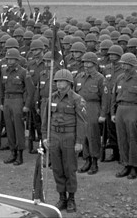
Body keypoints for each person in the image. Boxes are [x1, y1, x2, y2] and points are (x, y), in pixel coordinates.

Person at [41, 69, 87, 213]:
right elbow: (46, 119)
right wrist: (44, 137)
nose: (58, 83)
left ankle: (71, 198)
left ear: (69, 83)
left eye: (61, 81)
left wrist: (79, 141)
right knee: (57, 168)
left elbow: (82, 122)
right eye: (57, 81)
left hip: (69, 136)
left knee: (70, 168)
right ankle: (62, 197)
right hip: (54, 136)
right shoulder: (52, 98)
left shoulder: (77, 99)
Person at [111, 53, 137, 179]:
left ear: (132, 65)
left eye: (125, 63)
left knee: (133, 139)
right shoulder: (119, 78)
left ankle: (134, 166)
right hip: (120, 109)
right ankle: (125, 164)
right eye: (122, 63)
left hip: (134, 109)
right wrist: (113, 113)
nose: (123, 65)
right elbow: (113, 97)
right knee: (122, 139)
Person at [0, 48, 34, 166]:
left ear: (17, 60)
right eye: (8, 59)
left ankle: (20, 154)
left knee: (18, 128)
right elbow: (1, 89)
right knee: (9, 127)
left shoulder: (23, 72)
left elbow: (30, 90)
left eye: (12, 59)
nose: (9, 61)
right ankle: (12, 152)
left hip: (18, 100)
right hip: (7, 100)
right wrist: (1, 103)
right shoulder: (4, 71)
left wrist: (27, 106)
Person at [75, 52, 108, 175]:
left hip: (94, 107)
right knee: (83, 136)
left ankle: (94, 162)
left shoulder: (100, 78)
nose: (86, 65)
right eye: (84, 62)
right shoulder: (79, 77)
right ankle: (87, 160)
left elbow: (105, 98)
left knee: (93, 136)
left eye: (88, 63)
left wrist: (103, 114)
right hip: (81, 108)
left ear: (94, 64)